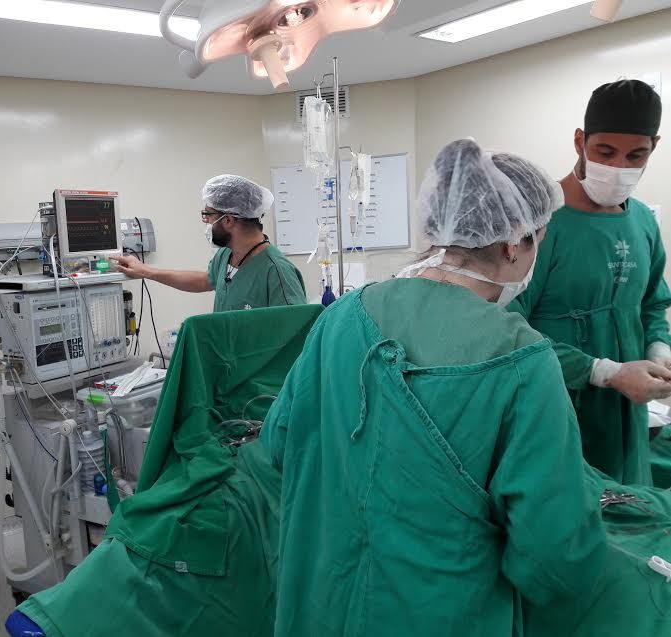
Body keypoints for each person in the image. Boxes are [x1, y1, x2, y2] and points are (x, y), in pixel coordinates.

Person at [262, 139, 606, 636]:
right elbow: (554, 560)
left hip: (320, 605)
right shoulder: (522, 359)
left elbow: (279, 443)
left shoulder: (340, 317)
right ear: (514, 243)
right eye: (541, 240)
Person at [510, 79, 671, 485]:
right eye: (605, 152)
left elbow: (651, 303)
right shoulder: (538, 224)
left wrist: (658, 347)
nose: (618, 167)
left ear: (654, 146)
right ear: (580, 141)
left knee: (629, 510)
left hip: (626, 421)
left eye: (636, 155)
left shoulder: (642, 222)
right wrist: (601, 372)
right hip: (556, 410)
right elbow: (508, 330)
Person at [111, 174, 306, 312]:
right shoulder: (227, 255)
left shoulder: (277, 272)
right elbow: (206, 280)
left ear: (228, 220)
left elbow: (295, 333)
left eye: (208, 215)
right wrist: (145, 271)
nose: (206, 222)